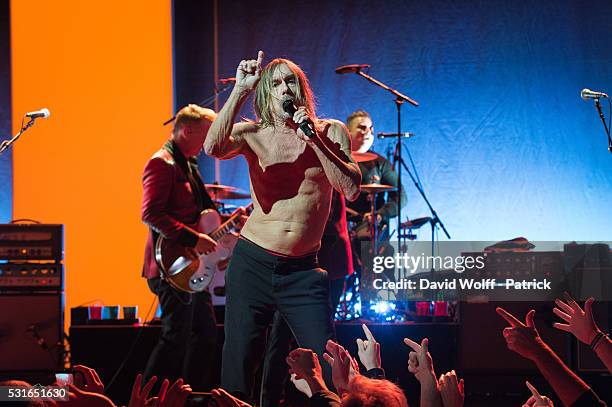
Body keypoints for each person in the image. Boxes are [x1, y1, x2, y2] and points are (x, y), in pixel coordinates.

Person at [204, 50, 361, 400]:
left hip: (304, 271)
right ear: (265, 93)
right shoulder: (252, 134)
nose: (284, 87)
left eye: (291, 80)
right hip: (253, 264)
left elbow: (349, 189)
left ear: (302, 89)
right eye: (275, 83)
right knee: (239, 361)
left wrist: (313, 139)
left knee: (328, 359)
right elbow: (212, 146)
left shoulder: (329, 130)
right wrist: (239, 90)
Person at [141, 104, 219, 391]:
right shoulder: (161, 163)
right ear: (187, 130)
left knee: (205, 334)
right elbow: (150, 214)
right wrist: (193, 239)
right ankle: (147, 398)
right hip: (170, 266)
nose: (209, 143)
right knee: (177, 337)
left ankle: (191, 396)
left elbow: (199, 212)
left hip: (189, 265)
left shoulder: (188, 164)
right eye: (206, 135)